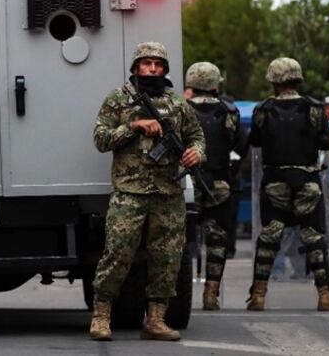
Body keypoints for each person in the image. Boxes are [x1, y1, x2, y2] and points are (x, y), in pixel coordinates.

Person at [88, 43, 204, 341]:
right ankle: (101, 317)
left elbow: (196, 136)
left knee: (167, 259)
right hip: (130, 193)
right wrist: (135, 126)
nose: (152, 69)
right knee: (117, 254)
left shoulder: (178, 104)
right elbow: (101, 139)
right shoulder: (118, 99)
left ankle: (156, 320)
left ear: (165, 69)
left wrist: (195, 153)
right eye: (146, 63)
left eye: (157, 64)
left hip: (168, 194)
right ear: (136, 66)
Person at [247, 57, 329, 312]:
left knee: (268, 238)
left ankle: (258, 296)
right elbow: (328, 142)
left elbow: (255, 142)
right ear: (297, 79)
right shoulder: (313, 108)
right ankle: (325, 296)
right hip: (307, 182)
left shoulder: (263, 109)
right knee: (314, 238)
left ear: (273, 81)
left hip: (274, 181)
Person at [184, 61, 246, 311]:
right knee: (218, 241)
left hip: (187, 183)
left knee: (181, 241)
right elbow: (241, 146)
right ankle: (211, 294)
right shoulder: (230, 112)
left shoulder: (182, 109)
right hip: (219, 182)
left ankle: (178, 292)